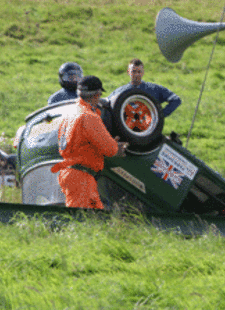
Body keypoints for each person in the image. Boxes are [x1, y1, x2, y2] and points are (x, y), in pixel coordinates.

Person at [51, 76, 128, 209]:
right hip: (82, 177)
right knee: (81, 221)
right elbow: (110, 149)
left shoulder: (70, 114)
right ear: (97, 94)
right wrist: (117, 147)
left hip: (72, 174)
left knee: (95, 221)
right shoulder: (89, 117)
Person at [108, 58, 181, 118]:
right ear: (128, 72)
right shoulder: (120, 91)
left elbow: (176, 99)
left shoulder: (154, 89)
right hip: (127, 130)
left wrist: (159, 116)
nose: (136, 74)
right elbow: (106, 103)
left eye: (139, 71)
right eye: (133, 71)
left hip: (149, 130)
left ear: (143, 72)